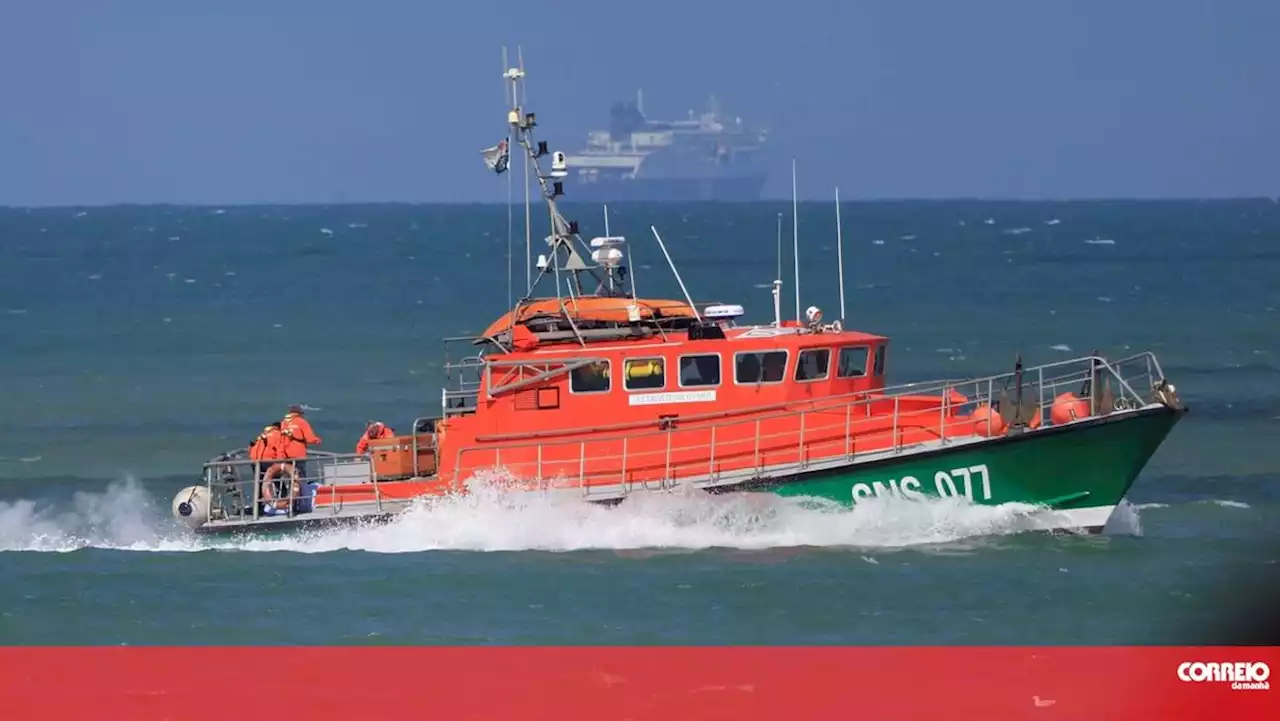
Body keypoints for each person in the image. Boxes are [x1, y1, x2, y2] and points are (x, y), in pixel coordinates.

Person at [280, 404, 322, 481]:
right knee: (300, 475)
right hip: (298, 453)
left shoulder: (283, 423)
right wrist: (317, 440)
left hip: (285, 454)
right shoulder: (301, 422)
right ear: (299, 413)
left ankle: (291, 491)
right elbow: (310, 439)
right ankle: (302, 491)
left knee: (290, 476)